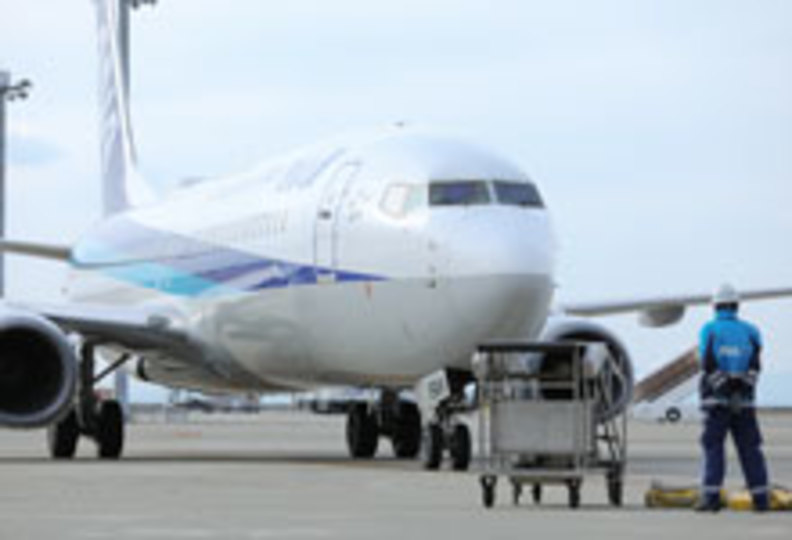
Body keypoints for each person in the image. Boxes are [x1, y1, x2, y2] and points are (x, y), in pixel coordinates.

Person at [696, 284, 770, 512]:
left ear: (715, 306)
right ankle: (761, 499)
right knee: (750, 448)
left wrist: (724, 389)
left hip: (716, 402)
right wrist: (741, 390)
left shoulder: (709, 330)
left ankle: (711, 498)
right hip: (745, 402)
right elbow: (756, 366)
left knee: (714, 447)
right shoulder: (752, 331)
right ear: (736, 305)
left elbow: (708, 363)